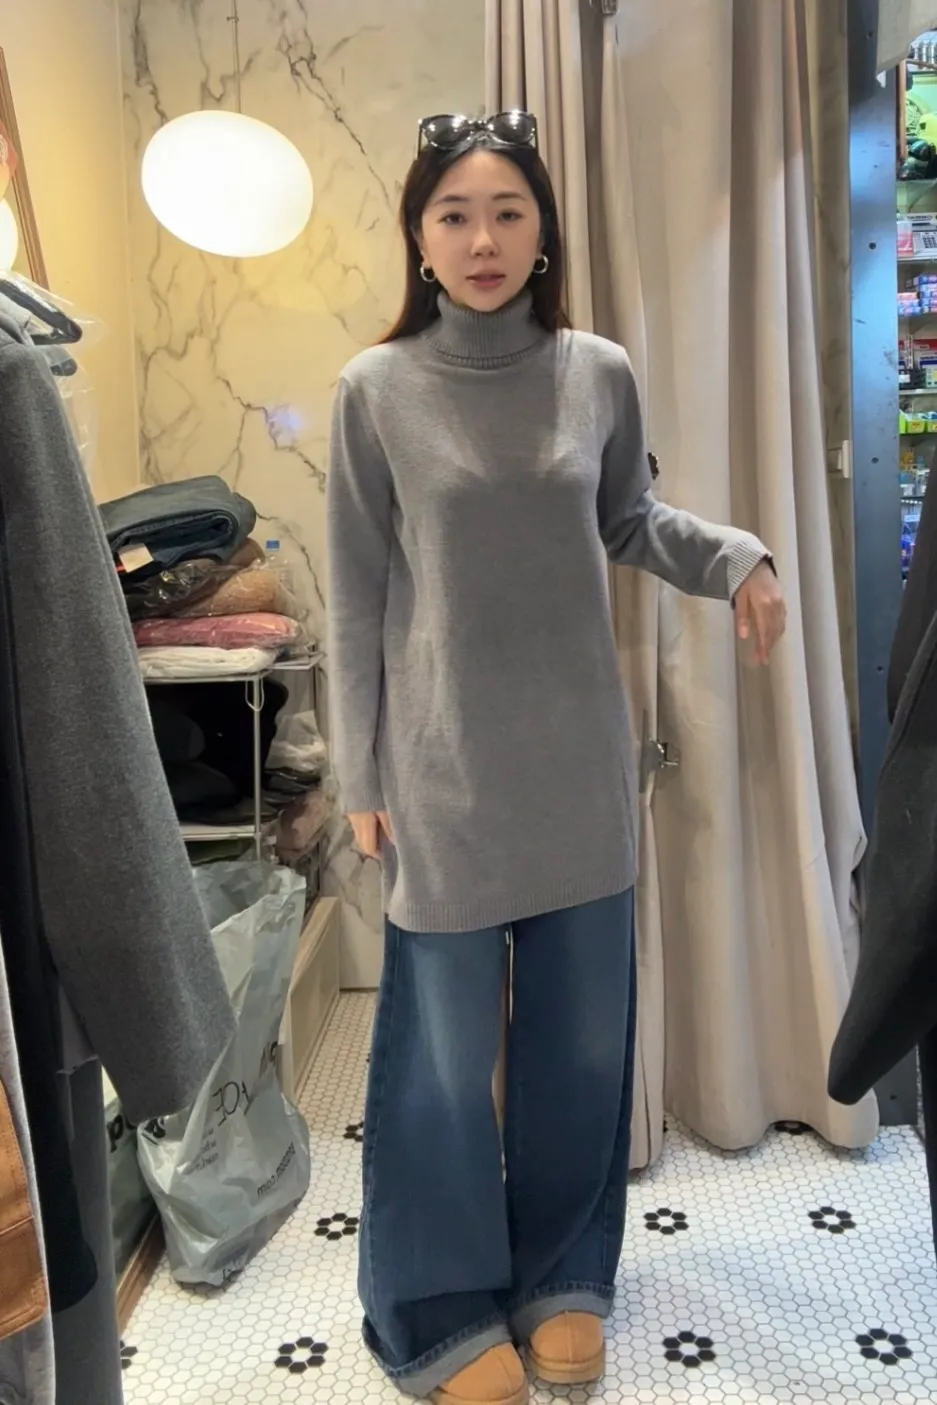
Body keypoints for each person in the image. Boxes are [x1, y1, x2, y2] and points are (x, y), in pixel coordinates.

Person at [326, 111, 787, 1405]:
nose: (482, 239)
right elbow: (357, 595)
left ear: (542, 235)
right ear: (419, 238)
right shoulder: (375, 391)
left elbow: (630, 517)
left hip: (582, 773)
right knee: (439, 1065)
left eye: (507, 212)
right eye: (454, 214)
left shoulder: (598, 371)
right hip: (443, 781)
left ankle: (562, 1276)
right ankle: (435, 1306)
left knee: (580, 1052)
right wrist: (361, 776)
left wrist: (739, 557)